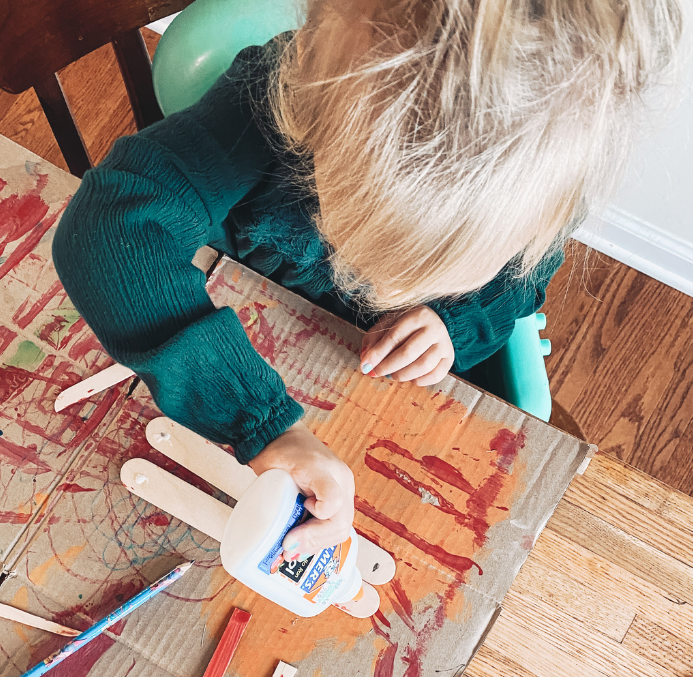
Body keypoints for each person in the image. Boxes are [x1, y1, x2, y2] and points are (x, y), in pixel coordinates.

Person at [52, 0, 681, 563]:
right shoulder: (277, 97)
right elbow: (111, 229)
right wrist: (266, 425)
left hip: (401, 388)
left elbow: (518, 290)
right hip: (255, 352)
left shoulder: (549, 177)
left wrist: (453, 323)